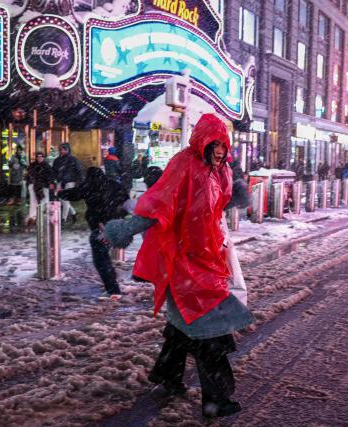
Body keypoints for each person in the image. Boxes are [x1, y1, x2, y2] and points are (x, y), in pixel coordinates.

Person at [104, 114, 254, 418]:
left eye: (223, 146)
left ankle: (167, 375)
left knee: (185, 324)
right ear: (202, 141)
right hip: (186, 261)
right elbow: (158, 203)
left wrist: (234, 195)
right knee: (212, 333)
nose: (220, 151)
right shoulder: (184, 165)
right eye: (214, 145)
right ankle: (217, 400)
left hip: (209, 257)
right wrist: (126, 228)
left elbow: (215, 206)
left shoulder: (221, 171)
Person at [58, 167, 130, 301]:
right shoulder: (114, 184)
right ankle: (112, 282)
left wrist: (60, 193)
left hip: (100, 228)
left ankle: (113, 290)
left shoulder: (90, 186)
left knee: (101, 259)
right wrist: (119, 216)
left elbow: (74, 194)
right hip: (115, 226)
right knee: (105, 257)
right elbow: (126, 201)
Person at [52, 143, 82, 224]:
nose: (62, 151)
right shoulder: (57, 160)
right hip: (60, 182)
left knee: (65, 200)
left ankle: (63, 219)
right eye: (61, 149)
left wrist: (78, 182)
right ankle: (73, 213)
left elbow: (79, 171)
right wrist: (54, 181)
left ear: (68, 150)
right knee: (62, 200)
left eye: (64, 149)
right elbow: (53, 171)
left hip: (70, 182)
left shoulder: (73, 160)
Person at [25, 152, 54, 225]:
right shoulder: (33, 165)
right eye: (38, 157)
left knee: (45, 201)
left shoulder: (46, 166)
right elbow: (28, 175)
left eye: (41, 156)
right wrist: (30, 183)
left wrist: (50, 183)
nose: (39, 158)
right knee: (34, 201)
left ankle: (41, 216)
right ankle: (33, 217)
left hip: (43, 186)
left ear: (43, 157)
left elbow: (50, 176)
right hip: (35, 185)